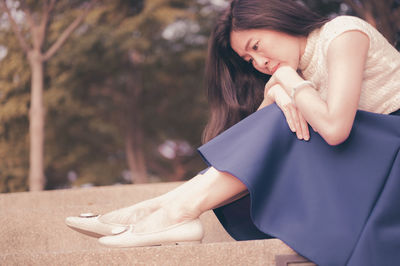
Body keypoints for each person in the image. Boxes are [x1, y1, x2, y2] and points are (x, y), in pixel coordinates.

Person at [66, 0, 400, 265]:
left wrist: (289, 81)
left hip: (392, 157)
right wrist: (273, 95)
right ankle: (159, 208)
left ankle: (171, 212)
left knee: (284, 117)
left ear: (277, 17)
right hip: (369, 167)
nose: (259, 62)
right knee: (280, 115)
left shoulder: (342, 33)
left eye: (256, 45)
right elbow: (256, 146)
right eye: (249, 58)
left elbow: (336, 128)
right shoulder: (296, 73)